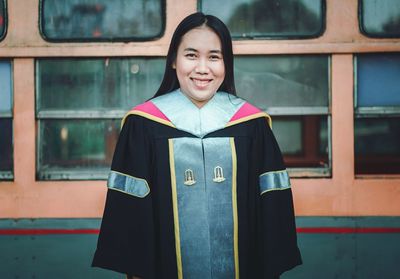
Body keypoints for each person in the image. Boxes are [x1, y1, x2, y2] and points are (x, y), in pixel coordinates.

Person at [92, 12, 302, 279]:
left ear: (226, 64)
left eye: (214, 57)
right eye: (191, 55)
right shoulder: (142, 125)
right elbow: (132, 222)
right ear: (173, 61)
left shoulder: (253, 125)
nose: (202, 68)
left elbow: (272, 216)